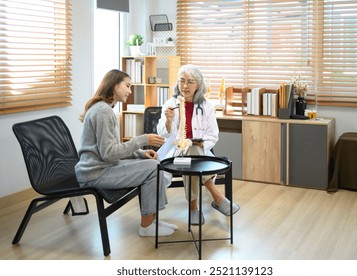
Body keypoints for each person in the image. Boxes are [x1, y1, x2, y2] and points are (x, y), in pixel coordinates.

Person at [75, 69, 176, 237]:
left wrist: (140, 153)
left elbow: (113, 147)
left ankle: (153, 219)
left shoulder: (104, 109)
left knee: (154, 164)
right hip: (96, 173)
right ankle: (146, 226)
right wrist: (143, 139)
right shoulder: (103, 112)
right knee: (153, 168)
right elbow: (109, 153)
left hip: (102, 167)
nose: (130, 91)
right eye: (127, 86)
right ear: (114, 85)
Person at [157, 64, 240, 225]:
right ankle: (218, 198)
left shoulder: (207, 106)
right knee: (191, 156)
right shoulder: (170, 104)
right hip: (175, 154)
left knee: (192, 151)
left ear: (199, 85)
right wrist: (168, 120)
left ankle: (193, 208)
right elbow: (163, 133)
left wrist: (194, 144)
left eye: (190, 82)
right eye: (181, 81)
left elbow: (213, 135)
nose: (185, 86)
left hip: (197, 153)